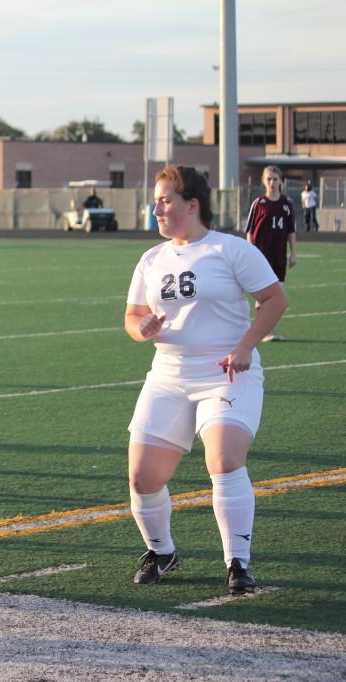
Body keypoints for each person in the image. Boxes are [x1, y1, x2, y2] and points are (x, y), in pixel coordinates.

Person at [125, 165, 289, 595]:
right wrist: (141, 329)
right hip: (168, 375)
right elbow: (132, 316)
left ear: (191, 204)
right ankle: (162, 552)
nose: (156, 208)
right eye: (156, 200)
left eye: (164, 200)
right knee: (143, 477)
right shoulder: (151, 259)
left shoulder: (230, 250)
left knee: (224, 460)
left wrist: (247, 345)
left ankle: (238, 563)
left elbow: (275, 299)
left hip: (225, 374)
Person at [244, 165, 297, 342]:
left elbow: (291, 230)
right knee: (263, 295)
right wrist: (251, 253)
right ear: (263, 181)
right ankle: (265, 332)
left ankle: (270, 330)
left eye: (275, 179)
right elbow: (250, 231)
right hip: (261, 256)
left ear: (281, 181)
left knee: (277, 293)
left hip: (279, 256)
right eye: (269, 179)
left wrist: (293, 253)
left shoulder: (287, 204)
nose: (272, 182)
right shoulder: (259, 204)